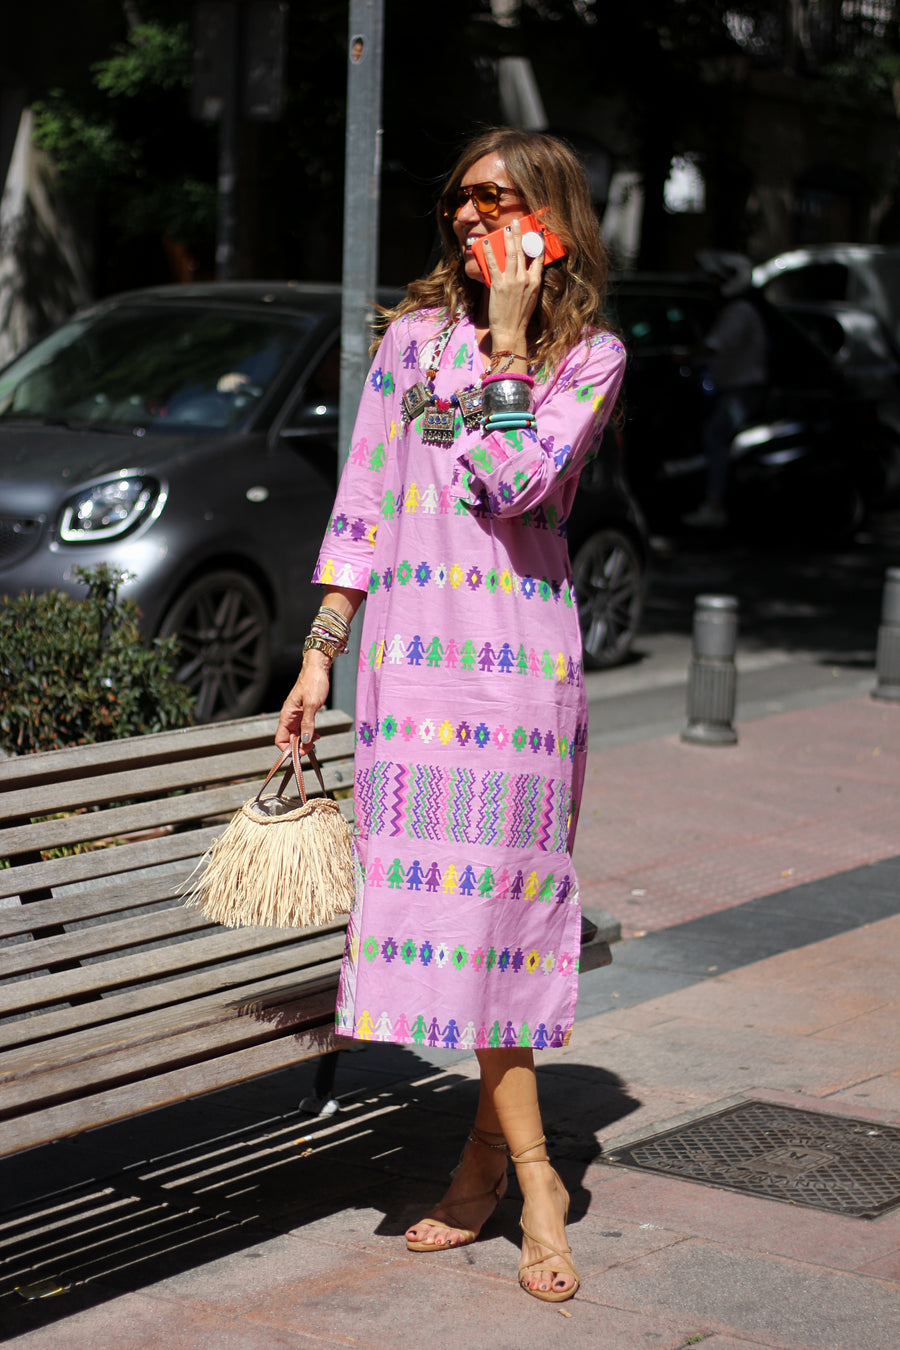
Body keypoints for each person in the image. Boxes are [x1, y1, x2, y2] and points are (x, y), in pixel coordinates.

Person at [275, 127, 625, 1303]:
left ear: (549, 222)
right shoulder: (413, 342)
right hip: (411, 677)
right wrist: (320, 653)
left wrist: (513, 343)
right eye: (462, 200)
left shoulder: (590, 359)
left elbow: (515, 485)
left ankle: (531, 1184)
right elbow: (366, 499)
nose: (471, 216)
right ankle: (492, 1169)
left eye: (497, 200)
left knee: (499, 927)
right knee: (454, 926)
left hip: (515, 680)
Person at [683, 256, 769, 529]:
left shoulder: (738, 311)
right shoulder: (736, 310)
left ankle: (714, 504)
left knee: (715, 435)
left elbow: (713, 346)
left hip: (742, 390)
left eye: (716, 281)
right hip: (732, 388)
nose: (712, 287)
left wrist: (684, 356)